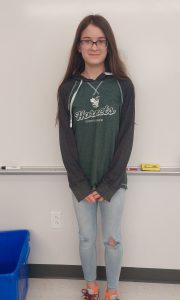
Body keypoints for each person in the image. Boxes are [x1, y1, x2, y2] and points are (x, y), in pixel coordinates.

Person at [57, 14, 135, 300]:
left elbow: (126, 137)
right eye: (88, 40)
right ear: (79, 46)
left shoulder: (123, 87)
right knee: (87, 238)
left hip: (113, 182)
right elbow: (66, 142)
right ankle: (91, 286)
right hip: (82, 184)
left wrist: (108, 184)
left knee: (111, 239)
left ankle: (112, 290)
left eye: (100, 41)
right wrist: (80, 184)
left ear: (108, 46)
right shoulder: (68, 89)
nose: (94, 46)